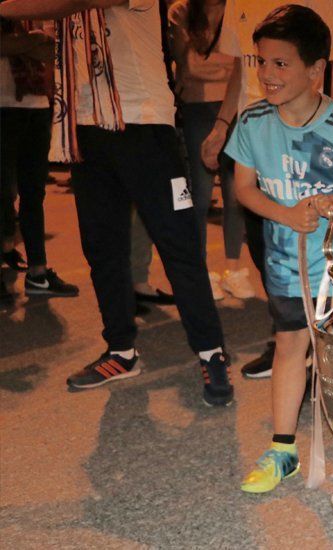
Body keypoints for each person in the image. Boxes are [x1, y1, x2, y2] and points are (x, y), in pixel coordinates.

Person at [1, 0, 233, 404]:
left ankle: (211, 351)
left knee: (178, 245)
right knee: (102, 247)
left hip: (145, 124)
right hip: (85, 127)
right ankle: (121, 351)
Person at [226, 5, 333, 493]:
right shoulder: (252, 122)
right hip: (285, 266)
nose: (268, 75)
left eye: (281, 64)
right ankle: (283, 450)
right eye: (262, 63)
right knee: (290, 345)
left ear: (316, 69)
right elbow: (244, 190)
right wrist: (286, 215)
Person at [203, 0, 333, 379]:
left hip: (304, 132)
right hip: (256, 135)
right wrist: (222, 124)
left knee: (313, 245)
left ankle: (314, 342)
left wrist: (329, 129)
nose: (267, 68)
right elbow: (241, 66)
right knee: (265, 242)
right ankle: (290, 334)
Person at [168, 0, 255, 300]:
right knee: (200, 196)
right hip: (196, 108)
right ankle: (200, 269)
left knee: (237, 194)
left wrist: (212, 65)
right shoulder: (181, 12)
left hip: (235, 109)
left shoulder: (237, 8)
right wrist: (219, 65)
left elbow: (240, 66)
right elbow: (189, 66)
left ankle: (232, 269)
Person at [0, 16, 79, 300]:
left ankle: (38, 272)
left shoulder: (34, 10)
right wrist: (32, 41)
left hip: (36, 107)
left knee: (33, 195)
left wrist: (19, 45)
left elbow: (52, 50)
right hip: (3, 108)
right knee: (2, 195)